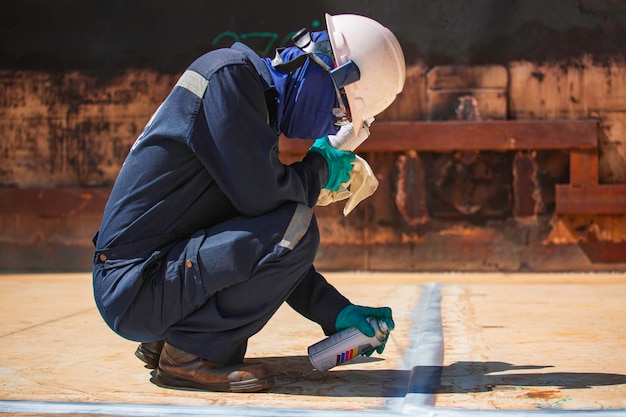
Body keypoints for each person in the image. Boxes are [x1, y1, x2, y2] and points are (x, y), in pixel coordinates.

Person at [92, 13, 405, 393]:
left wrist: (335, 311)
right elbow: (266, 201)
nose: (328, 128)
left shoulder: (252, 105)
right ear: (325, 74)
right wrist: (320, 168)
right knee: (296, 225)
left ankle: (173, 336)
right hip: (135, 286)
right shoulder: (227, 78)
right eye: (339, 112)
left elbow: (261, 251)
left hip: (152, 280)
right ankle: (189, 355)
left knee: (290, 226)